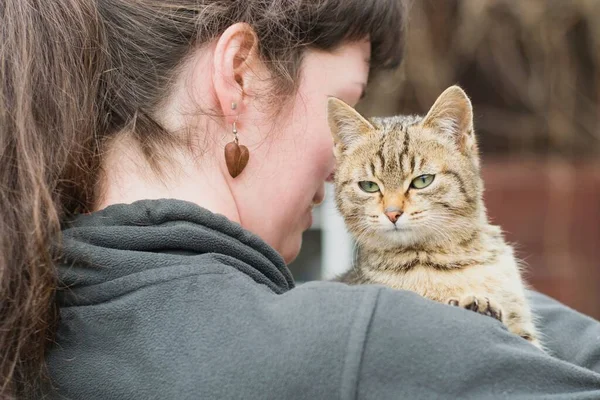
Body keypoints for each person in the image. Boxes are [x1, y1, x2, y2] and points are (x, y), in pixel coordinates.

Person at [1, 1, 599, 398]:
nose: (347, 170)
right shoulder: (371, 349)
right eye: (346, 101)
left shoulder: (37, 328)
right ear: (238, 76)